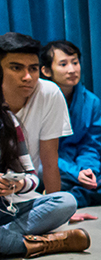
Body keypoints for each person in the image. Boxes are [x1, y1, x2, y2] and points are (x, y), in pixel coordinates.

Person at [1, 76, 89, 258]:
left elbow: (32, 176)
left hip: (10, 206)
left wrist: (17, 184)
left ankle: (9, 238)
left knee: (66, 201)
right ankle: (42, 243)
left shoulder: (8, 122)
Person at [39, 40, 101, 207]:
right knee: (42, 173)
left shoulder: (91, 101)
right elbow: (43, 153)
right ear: (46, 71)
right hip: (56, 168)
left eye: (75, 63)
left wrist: (87, 170)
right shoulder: (40, 102)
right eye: (63, 64)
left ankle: (72, 198)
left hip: (80, 168)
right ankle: (78, 196)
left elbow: (90, 145)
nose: (72, 70)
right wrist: (76, 173)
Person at [0, 33, 72, 194]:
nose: (27, 77)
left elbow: (50, 161)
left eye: (33, 69)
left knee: (66, 201)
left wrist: (53, 202)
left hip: (22, 189)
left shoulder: (49, 93)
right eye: (16, 68)